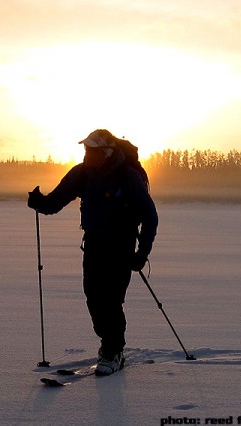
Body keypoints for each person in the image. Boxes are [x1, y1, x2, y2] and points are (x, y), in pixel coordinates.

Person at [27, 129, 158, 375]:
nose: (87, 154)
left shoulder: (127, 177)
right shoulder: (82, 174)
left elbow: (150, 217)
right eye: (86, 149)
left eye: (92, 150)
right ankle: (108, 345)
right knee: (93, 298)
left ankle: (113, 351)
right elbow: (56, 201)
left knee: (111, 299)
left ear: (106, 152)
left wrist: (142, 253)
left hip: (121, 246)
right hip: (94, 246)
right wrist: (39, 202)